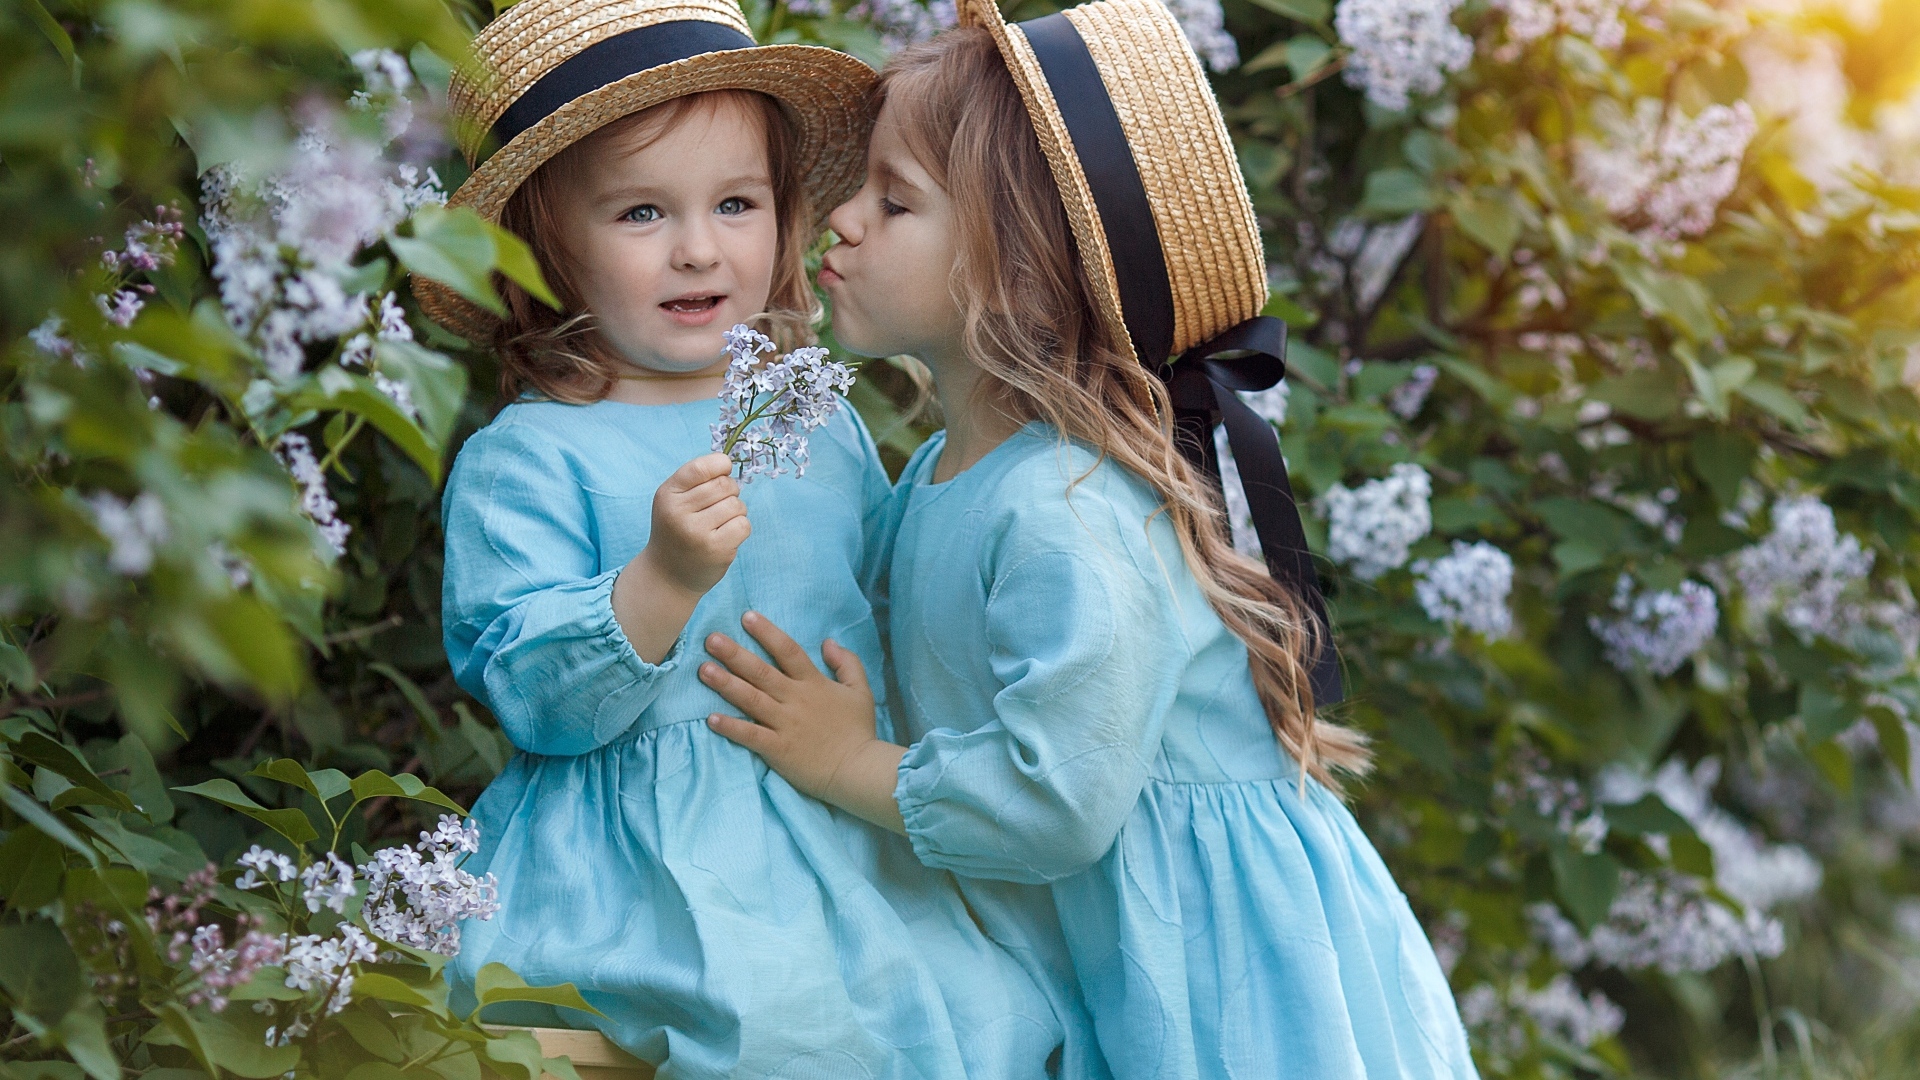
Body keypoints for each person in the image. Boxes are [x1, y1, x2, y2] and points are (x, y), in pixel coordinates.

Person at [697, 4, 1481, 1077]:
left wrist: (844, 760)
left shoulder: (1064, 509)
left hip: (1224, 982)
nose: (841, 218)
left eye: (895, 199)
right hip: (1112, 940)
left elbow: (1057, 801)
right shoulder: (944, 476)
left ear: (1019, 269)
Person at [420, 0, 1062, 1075]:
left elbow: (889, 606)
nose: (698, 249)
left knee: (983, 1020)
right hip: (639, 865)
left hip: (836, 824)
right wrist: (661, 579)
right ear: (541, 250)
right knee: (775, 1031)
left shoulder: (817, 422)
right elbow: (533, 698)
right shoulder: (529, 455)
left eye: (735, 203)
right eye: (640, 213)